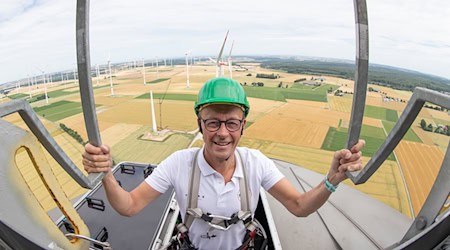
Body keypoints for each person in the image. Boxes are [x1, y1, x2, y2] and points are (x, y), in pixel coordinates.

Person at [83, 77, 365, 250]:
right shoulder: (179, 163)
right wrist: (106, 174)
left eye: (231, 123)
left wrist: (332, 179)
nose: (222, 132)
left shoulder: (255, 163)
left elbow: (299, 206)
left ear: (243, 126)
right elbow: (129, 206)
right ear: (200, 125)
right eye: (213, 122)